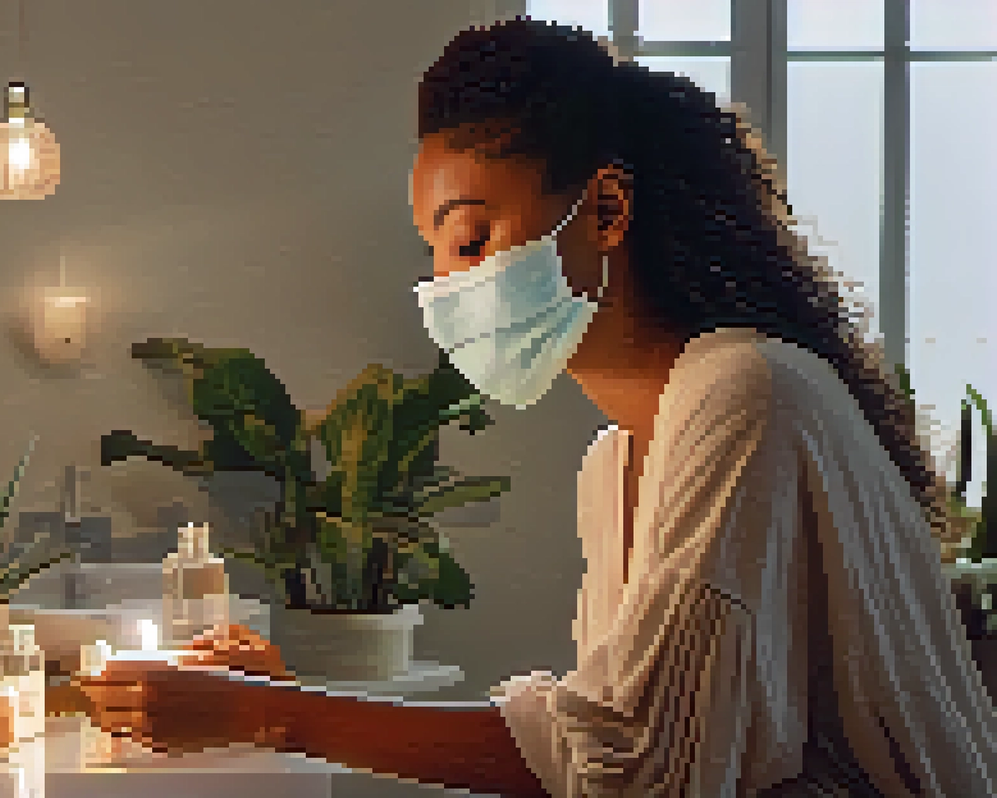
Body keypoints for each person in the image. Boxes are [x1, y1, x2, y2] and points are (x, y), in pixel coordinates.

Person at [81, 18, 997, 797]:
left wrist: (274, 717)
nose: (447, 286)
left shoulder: (747, 391)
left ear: (604, 210)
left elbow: (637, 769)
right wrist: (286, 700)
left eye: (473, 238)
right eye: (437, 251)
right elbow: (596, 739)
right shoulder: (616, 462)